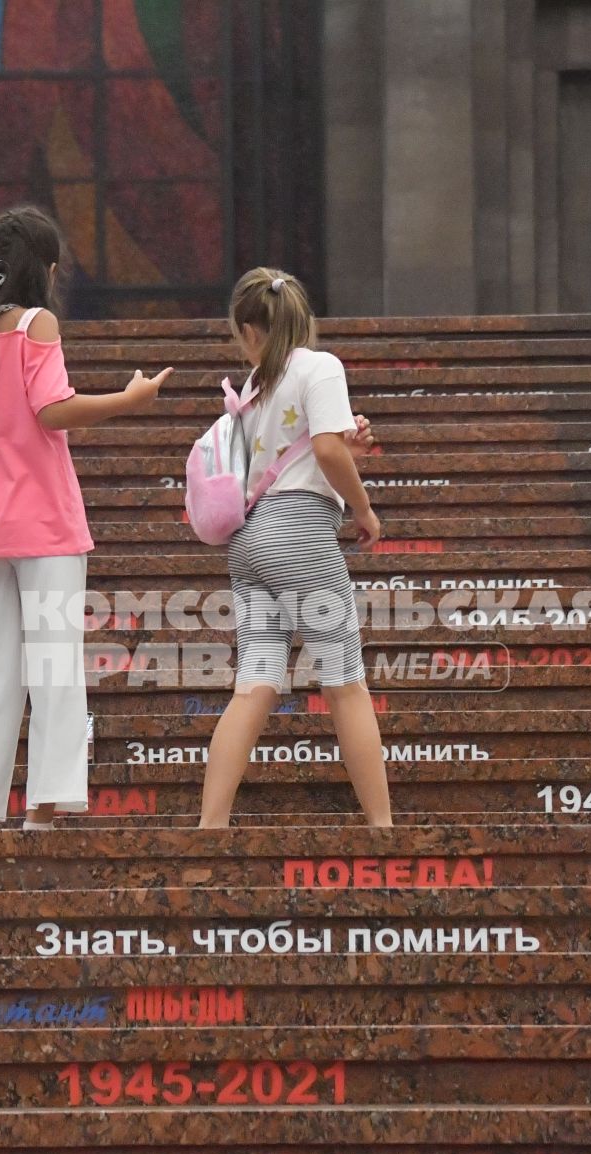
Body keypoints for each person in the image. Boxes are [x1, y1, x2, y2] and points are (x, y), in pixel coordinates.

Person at [0, 206, 172, 831]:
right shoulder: (37, 325)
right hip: (46, 526)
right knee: (54, 666)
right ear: (47, 270)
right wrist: (130, 399)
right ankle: (45, 806)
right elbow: (53, 411)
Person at [197, 268, 392, 828]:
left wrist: (340, 440)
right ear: (303, 319)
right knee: (346, 684)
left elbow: (309, 444)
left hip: (250, 540)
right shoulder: (319, 365)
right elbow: (328, 452)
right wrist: (364, 509)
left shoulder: (251, 390)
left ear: (247, 330)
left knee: (253, 687)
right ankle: (383, 829)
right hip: (301, 535)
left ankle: (210, 830)